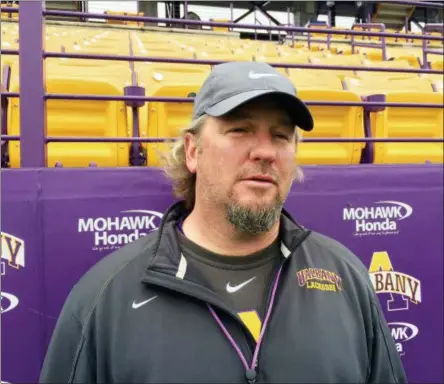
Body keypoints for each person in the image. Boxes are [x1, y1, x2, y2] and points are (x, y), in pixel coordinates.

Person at [39, 61, 407, 383]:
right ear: (194, 151)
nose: (264, 151)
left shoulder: (347, 278)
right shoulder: (106, 295)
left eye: (281, 136)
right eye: (240, 130)